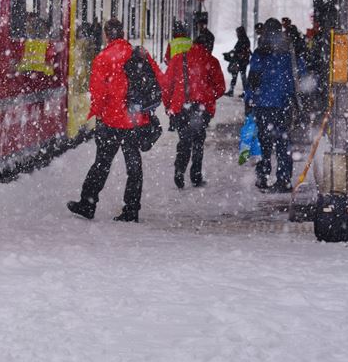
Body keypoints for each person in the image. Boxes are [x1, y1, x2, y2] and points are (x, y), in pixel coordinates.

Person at [68, 18, 161, 223]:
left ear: (106, 35)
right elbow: (158, 80)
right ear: (123, 33)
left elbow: (98, 93)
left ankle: (88, 203)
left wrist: (97, 114)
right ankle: (131, 209)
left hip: (111, 121)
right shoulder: (139, 54)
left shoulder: (103, 58)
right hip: (134, 121)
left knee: (101, 163)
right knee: (134, 165)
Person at [163, 28, 227, 188]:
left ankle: (179, 169)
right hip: (201, 109)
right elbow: (220, 88)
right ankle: (196, 175)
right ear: (209, 45)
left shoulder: (178, 59)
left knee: (184, 139)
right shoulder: (211, 61)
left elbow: (167, 86)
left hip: (180, 107)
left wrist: (168, 105)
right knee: (198, 141)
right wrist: (207, 96)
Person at [247, 18, 296, 192]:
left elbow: (252, 79)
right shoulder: (288, 53)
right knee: (283, 143)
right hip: (282, 104)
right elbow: (295, 78)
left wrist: (249, 100)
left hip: (263, 105)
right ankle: (283, 179)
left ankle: (263, 176)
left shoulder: (260, 52)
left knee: (263, 143)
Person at [223, 26, 252, 97]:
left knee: (240, 76)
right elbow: (237, 50)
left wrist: (232, 53)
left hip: (241, 61)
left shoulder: (243, 40)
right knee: (239, 76)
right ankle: (242, 92)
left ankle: (237, 91)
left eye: (237, 32)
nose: (237, 34)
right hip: (241, 61)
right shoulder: (243, 39)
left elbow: (239, 50)